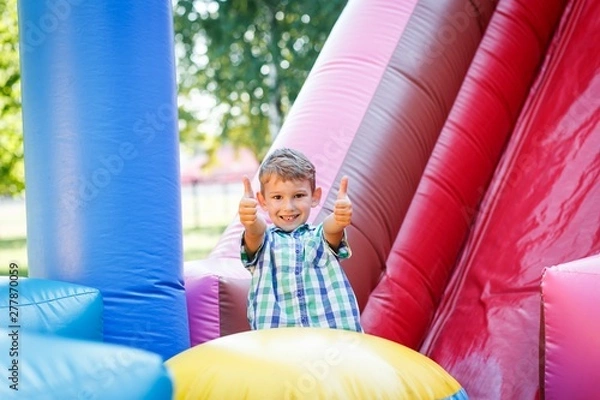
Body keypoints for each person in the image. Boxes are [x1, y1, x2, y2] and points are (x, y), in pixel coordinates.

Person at [238, 147, 362, 332]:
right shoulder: (265, 242)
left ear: (315, 197)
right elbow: (256, 232)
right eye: (277, 197)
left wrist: (338, 218)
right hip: (279, 342)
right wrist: (251, 221)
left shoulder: (319, 238)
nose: (288, 206)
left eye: (298, 195)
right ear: (263, 201)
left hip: (332, 338)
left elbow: (331, 230)